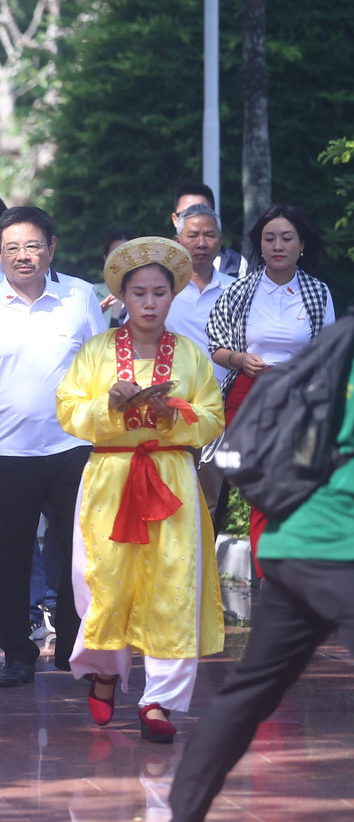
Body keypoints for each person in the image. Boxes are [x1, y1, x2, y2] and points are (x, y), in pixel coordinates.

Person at [169, 347, 354, 820]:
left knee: (250, 689)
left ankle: (184, 810)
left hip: (293, 545)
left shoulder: (332, 346)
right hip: (340, 552)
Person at [56, 236, 225, 745]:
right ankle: (106, 667)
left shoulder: (192, 356)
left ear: (172, 297)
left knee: (174, 584)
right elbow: (68, 411)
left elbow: (213, 417)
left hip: (171, 479)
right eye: (139, 294)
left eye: (159, 293)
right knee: (106, 580)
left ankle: (160, 700)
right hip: (112, 477)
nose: (149, 303)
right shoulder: (96, 351)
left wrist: (180, 413)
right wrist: (109, 404)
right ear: (123, 298)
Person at [0, 205, 106, 687]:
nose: (23, 256)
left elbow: (101, 365)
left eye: (33, 246)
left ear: (52, 248)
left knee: (77, 554)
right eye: (12, 248)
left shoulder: (80, 297)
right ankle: (17, 653)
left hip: (74, 447)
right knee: (9, 558)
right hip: (5, 452)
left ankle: (70, 645)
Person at [206, 204, 334, 567]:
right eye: (269, 238)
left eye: (286, 238)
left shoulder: (318, 293)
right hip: (249, 394)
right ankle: (270, 582)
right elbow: (215, 346)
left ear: (301, 244)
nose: (278, 245)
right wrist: (240, 359)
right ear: (259, 245)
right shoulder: (239, 291)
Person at [168, 204, 236, 523]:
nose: (201, 242)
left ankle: (204, 573)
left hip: (215, 413)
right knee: (170, 498)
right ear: (177, 240)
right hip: (168, 411)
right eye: (192, 235)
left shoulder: (235, 291)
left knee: (210, 504)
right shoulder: (161, 290)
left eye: (209, 235)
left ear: (220, 240)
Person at [170, 183, 245, 277]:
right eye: (186, 213)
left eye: (202, 211)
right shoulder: (161, 266)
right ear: (175, 219)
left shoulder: (235, 264)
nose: (201, 244)